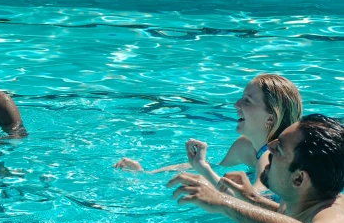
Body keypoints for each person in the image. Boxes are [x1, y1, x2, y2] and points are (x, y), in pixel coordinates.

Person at [168, 114, 344, 223]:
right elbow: (293, 222)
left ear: (298, 179)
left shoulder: (335, 216)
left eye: (279, 148)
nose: (269, 147)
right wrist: (253, 200)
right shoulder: (302, 200)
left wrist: (224, 203)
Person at [114, 74, 301, 190]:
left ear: (270, 118)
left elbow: (255, 203)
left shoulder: (271, 157)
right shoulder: (244, 145)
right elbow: (213, 167)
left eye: (247, 101)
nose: (236, 104)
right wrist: (147, 173)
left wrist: (203, 169)